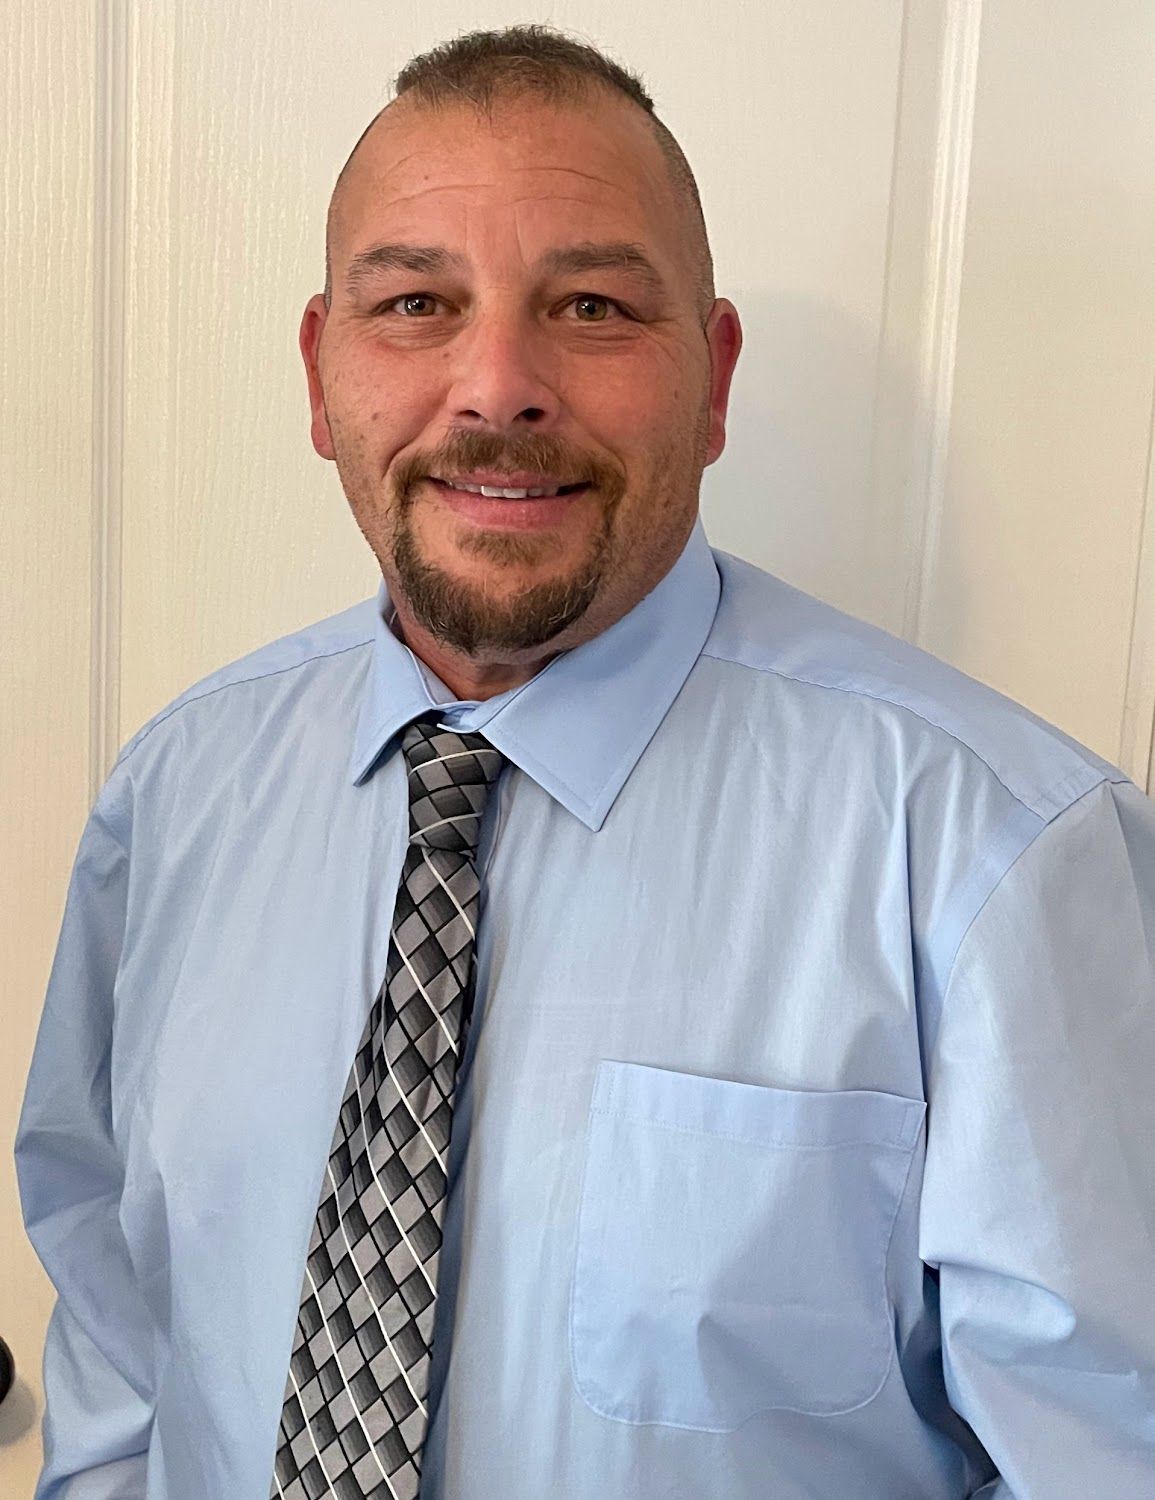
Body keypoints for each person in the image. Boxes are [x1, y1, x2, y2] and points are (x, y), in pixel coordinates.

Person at [14, 21, 1155, 1500]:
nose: (497, 386)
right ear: (320, 372)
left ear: (714, 377)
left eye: (594, 307)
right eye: (416, 304)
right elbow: (119, 1340)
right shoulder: (176, 798)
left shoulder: (998, 850)